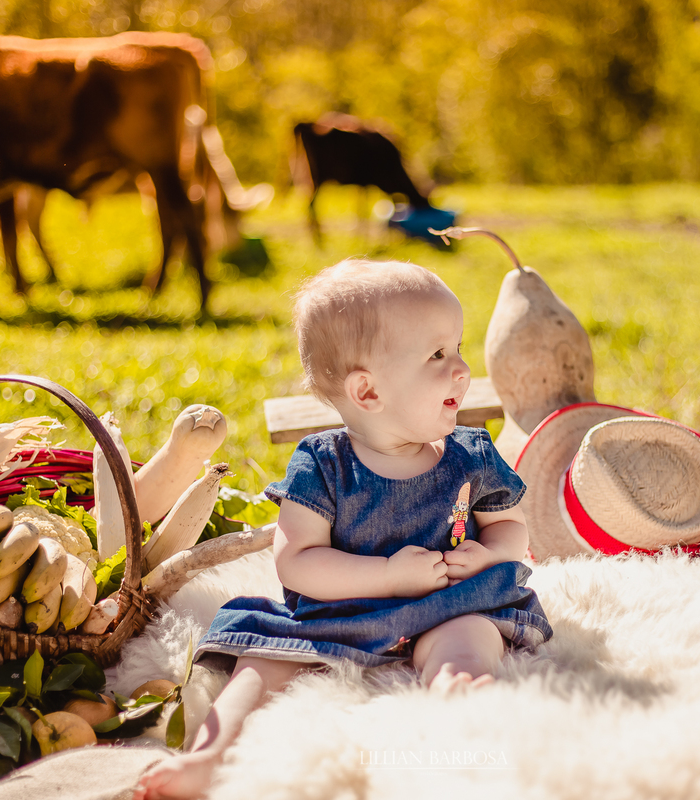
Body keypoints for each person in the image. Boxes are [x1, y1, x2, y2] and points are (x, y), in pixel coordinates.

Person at [134, 259, 553, 800]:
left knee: (470, 642)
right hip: (342, 612)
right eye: (438, 354)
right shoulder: (324, 464)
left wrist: (486, 554)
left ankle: (463, 716)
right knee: (259, 663)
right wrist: (387, 576)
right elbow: (298, 561)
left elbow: (513, 530)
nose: (462, 369)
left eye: (458, 348)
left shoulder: (469, 453)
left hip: (452, 603)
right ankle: (209, 756)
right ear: (368, 392)